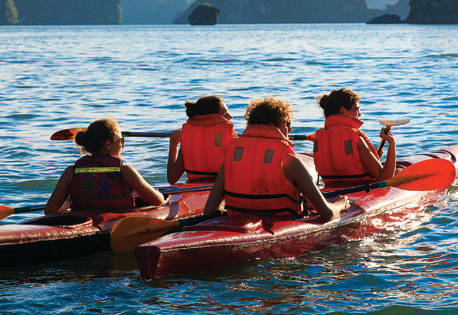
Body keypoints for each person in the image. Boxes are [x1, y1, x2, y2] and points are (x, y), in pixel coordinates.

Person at [203, 97, 347, 221]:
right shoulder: (290, 161)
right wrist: (340, 205)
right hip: (281, 226)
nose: (290, 130)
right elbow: (327, 214)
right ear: (274, 125)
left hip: (238, 224)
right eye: (288, 124)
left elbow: (209, 211)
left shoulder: (231, 157)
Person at [45, 118, 166, 214]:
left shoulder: (71, 171)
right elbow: (157, 201)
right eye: (121, 141)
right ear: (108, 144)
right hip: (116, 226)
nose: (123, 145)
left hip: (84, 222)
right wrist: (160, 194)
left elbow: (49, 210)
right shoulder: (125, 171)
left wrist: (67, 205)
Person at [310, 88, 396, 185]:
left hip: (331, 189)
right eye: (356, 109)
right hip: (361, 189)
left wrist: (371, 157)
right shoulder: (355, 137)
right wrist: (391, 143)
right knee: (399, 171)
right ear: (342, 111)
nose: (359, 114)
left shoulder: (319, 137)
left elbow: (341, 160)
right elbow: (384, 178)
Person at [166, 95, 237, 184]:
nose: (230, 116)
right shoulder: (232, 139)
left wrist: (173, 145)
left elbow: (172, 179)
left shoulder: (190, 140)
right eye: (225, 114)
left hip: (194, 188)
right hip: (222, 188)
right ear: (213, 117)